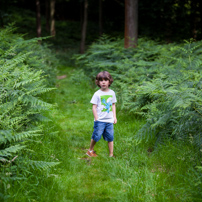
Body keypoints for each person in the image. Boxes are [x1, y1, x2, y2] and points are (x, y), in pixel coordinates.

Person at [86, 71, 117, 157]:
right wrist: (96, 118)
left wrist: (114, 117)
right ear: (98, 82)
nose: (103, 82)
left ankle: (111, 154)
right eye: (101, 80)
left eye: (105, 80)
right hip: (100, 120)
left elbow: (113, 105)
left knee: (110, 137)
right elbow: (94, 107)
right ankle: (90, 150)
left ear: (109, 81)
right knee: (96, 136)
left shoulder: (112, 93)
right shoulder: (97, 94)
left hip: (109, 120)